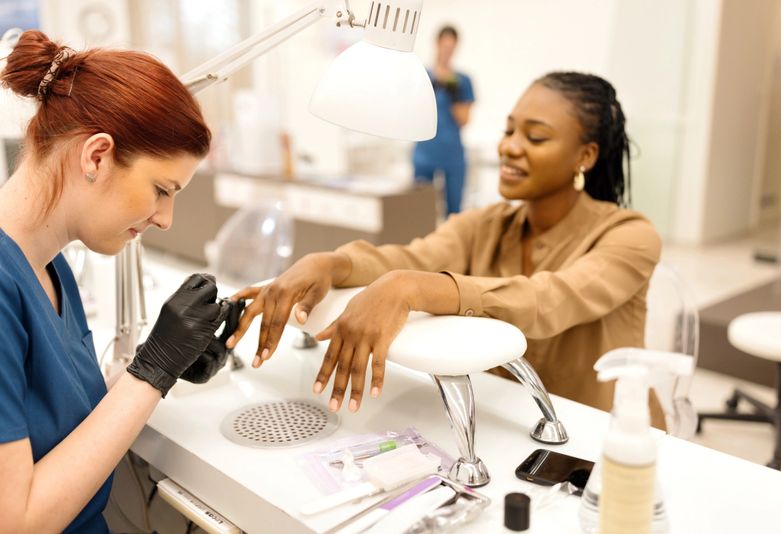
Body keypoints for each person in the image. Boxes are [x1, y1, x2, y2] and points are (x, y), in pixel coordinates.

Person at [227, 72, 661, 423]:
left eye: (536, 137)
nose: (509, 145)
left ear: (584, 156)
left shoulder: (630, 237)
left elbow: (548, 300)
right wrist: (331, 262)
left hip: (604, 437)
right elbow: (410, 258)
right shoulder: (485, 224)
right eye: (510, 130)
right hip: (500, 421)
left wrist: (412, 289)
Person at [0, 31, 230, 533]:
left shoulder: (50, 267)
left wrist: (167, 365)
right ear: (97, 156)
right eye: (161, 189)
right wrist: (152, 370)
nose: (165, 218)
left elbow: (52, 421)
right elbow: (15, 521)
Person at [412, 25, 475, 215]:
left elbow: (464, 119)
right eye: (444, 46)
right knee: (420, 208)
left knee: (454, 210)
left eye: (452, 47)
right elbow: (412, 114)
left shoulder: (462, 81)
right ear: (437, 44)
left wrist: (453, 93)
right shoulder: (421, 76)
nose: (447, 51)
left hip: (452, 153)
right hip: (425, 151)